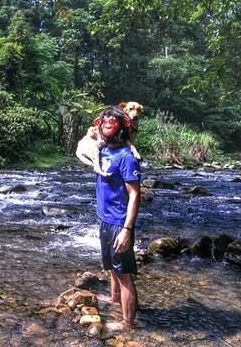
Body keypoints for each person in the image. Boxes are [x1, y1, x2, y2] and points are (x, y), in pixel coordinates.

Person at [94, 105, 142, 331]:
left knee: (124, 274)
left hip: (118, 222)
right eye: (104, 123)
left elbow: (135, 195)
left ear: (122, 128)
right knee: (111, 267)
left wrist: (127, 229)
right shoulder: (104, 149)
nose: (106, 126)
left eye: (111, 123)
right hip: (104, 218)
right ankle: (114, 299)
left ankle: (127, 323)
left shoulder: (127, 157)